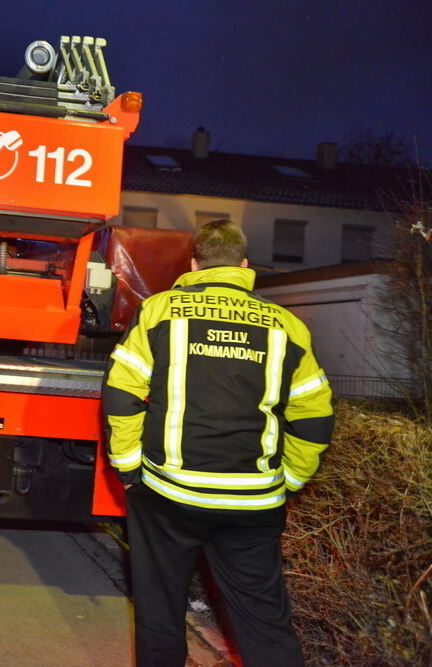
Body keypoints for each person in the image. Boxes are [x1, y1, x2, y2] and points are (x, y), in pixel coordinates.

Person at [103, 220, 334, 667]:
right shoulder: (287, 325)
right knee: (264, 623)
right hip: (252, 503)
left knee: (160, 612)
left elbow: (121, 392)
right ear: (244, 266)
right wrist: (290, 479)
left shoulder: (162, 310)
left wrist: (129, 468)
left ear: (194, 264)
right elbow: (315, 413)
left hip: (169, 496)